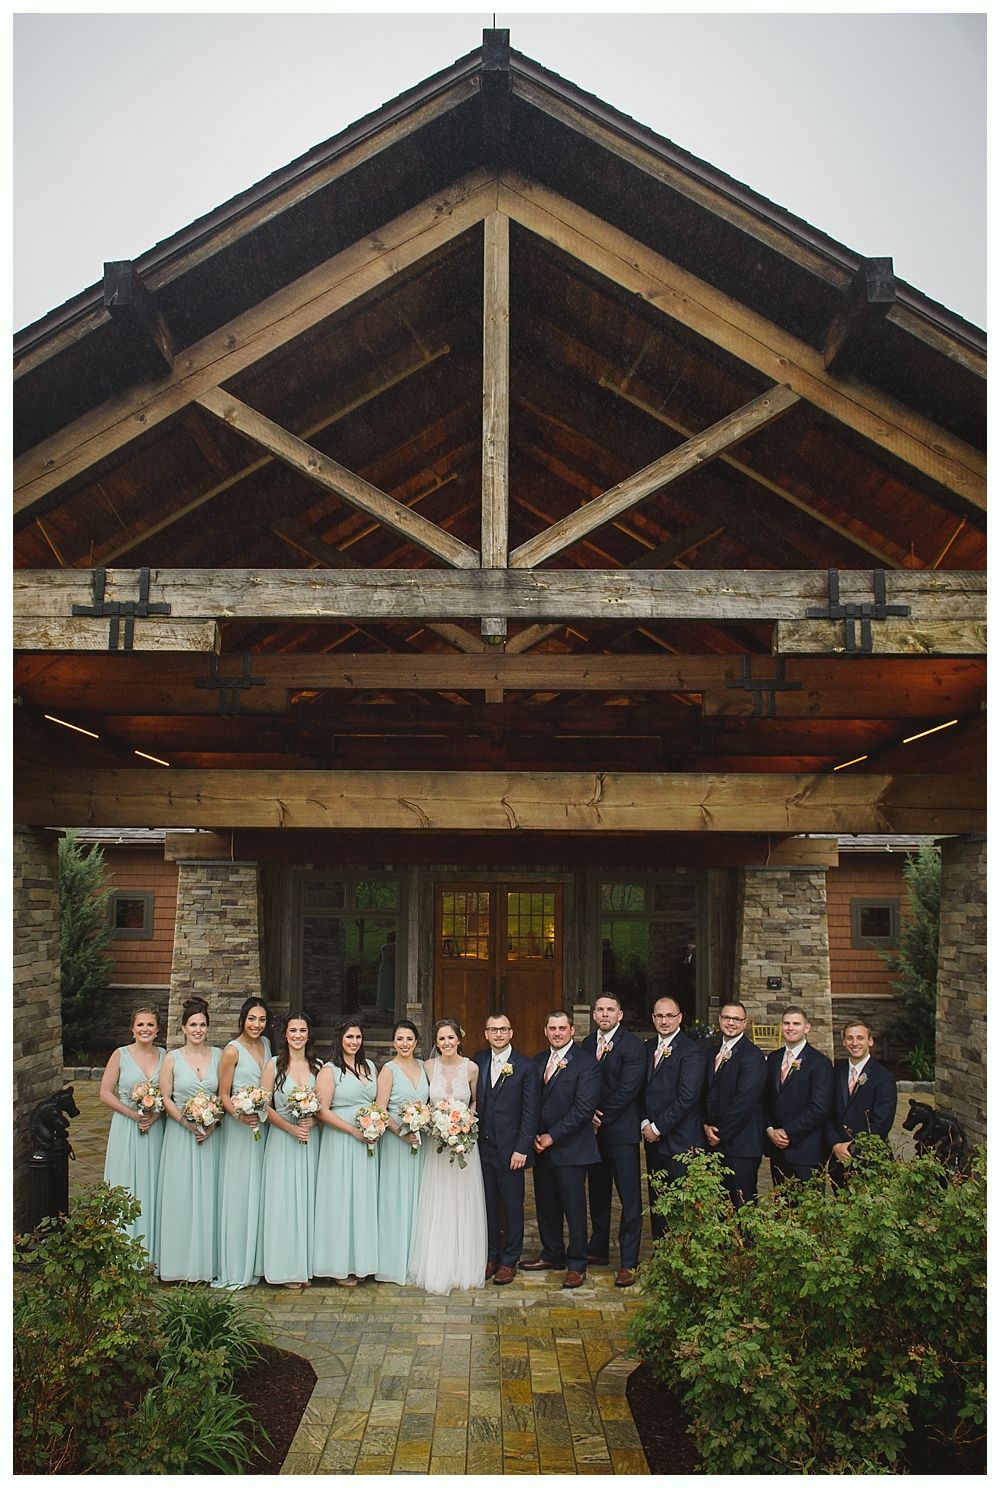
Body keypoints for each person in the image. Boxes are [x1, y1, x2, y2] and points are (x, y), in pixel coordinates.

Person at [521, 1009, 601, 1289]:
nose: (557, 1033)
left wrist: (551, 1137)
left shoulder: (586, 1063)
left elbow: (583, 1109)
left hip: (571, 1148)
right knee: (546, 1204)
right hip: (541, 1147)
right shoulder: (538, 1061)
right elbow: (530, 1102)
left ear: (572, 1031)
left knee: (574, 1207)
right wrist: (531, 1135)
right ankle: (552, 1253)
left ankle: (577, 1262)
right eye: (552, 1028)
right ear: (545, 1031)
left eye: (562, 1028)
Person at [408, 1018, 488, 1295]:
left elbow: (476, 1100)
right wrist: (433, 1121)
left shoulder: (472, 1068)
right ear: (436, 1043)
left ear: (459, 1039)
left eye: (450, 1038)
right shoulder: (428, 1067)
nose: (446, 1043)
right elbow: (424, 1101)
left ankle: (464, 1264)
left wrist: (467, 1120)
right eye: (441, 1039)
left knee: (463, 1200)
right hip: (437, 1145)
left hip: (464, 1143)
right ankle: (437, 1262)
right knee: (439, 1198)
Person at [471, 1013, 541, 1285]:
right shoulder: (478, 1060)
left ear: (511, 1033)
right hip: (483, 1147)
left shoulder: (525, 1066)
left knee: (512, 1206)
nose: (498, 1034)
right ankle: (491, 1256)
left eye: (503, 1029)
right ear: (486, 1034)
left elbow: (530, 1111)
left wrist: (522, 1148)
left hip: (512, 1150)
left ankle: (509, 1259)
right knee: (487, 1204)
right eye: (493, 1030)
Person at [156, 997, 222, 1282]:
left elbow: (224, 1095)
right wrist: (186, 1123)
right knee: (180, 1196)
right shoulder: (172, 1058)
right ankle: (177, 1265)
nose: (198, 1030)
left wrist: (213, 1122)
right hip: (181, 1136)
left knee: (210, 1197)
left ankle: (207, 1265)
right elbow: (166, 1098)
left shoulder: (219, 1056)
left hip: (211, 1136)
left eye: (203, 1025)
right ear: (183, 1028)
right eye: (193, 1025)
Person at [581, 994, 645, 1287]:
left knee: (629, 1197)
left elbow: (628, 1089)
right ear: (594, 1014)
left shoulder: (632, 1046)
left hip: (621, 1132)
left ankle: (629, 1260)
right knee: (598, 1191)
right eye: (600, 1010)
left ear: (620, 1014)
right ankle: (598, 1247)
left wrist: (601, 1115)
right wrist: (588, 1114)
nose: (605, 1014)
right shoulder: (585, 1044)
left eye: (611, 1010)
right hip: (592, 1135)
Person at [314, 1019, 381, 1287]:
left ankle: (361, 1263)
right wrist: (352, 1131)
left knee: (362, 1200)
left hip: (366, 1141)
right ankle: (337, 1265)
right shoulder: (329, 1071)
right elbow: (322, 1111)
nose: (354, 1042)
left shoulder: (370, 1067)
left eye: (358, 1037)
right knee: (340, 1200)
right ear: (340, 1039)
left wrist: (373, 1124)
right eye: (349, 1037)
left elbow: (376, 1102)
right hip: (340, 1140)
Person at [260, 1012, 323, 1290]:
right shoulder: (273, 1065)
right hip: (283, 1139)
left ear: (309, 1035)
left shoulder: (318, 1066)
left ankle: (307, 1266)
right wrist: (289, 1127)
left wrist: (314, 1118)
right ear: (284, 1034)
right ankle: (284, 1267)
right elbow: (264, 1106)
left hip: (310, 1140)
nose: (297, 1035)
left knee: (309, 1201)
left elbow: (324, 1104)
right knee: (284, 1202)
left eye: (302, 1030)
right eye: (293, 1031)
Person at [214, 996, 272, 1289]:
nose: (257, 1025)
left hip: (262, 1128)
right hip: (240, 1130)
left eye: (261, 1020)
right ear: (243, 1019)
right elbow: (223, 1093)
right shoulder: (231, 1051)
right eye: (252, 1019)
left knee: (259, 1189)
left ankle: (257, 1260)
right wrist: (240, 1115)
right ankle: (236, 1263)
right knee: (239, 1191)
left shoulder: (266, 1046)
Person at [100, 1004, 166, 1260]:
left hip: (154, 1128)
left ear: (158, 1029)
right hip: (127, 1128)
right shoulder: (120, 1054)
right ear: (132, 1028)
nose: (145, 1029)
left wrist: (155, 1115)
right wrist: (132, 1114)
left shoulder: (164, 1055)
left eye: (150, 1025)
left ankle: (152, 1253)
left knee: (153, 1184)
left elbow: (169, 1094)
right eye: (140, 1025)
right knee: (126, 1183)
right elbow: (105, 1093)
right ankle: (122, 1253)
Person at [641, 996, 707, 1241]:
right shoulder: (647, 1048)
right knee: (658, 1201)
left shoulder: (691, 1051)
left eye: (669, 1016)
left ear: (679, 1018)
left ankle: (684, 1256)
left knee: (682, 1204)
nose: (664, 1021)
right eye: (659, 1016)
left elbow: (687, 1097)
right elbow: (641, 1092)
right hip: (653, 1140)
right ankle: (662, 1254)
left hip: (681, 1141)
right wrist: (645, 1122)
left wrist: (658, 1127)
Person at [375, 1018, 429, 1285]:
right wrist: (402, 1133)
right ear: (393, 1042)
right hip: (397, 1143)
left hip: (421, 1143)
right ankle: (393, 1261)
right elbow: (381, 1110)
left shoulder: (423, 1067)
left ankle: (417, 1258)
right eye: (400, 1039)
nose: (405, 1044)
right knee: (396, 1199)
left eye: (409, 1039)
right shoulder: (388, 1069)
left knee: (419, 1199)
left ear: (416, 1041)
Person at [702, 1002, 767, 1208]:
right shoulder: (710, 1052)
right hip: (715, 1141)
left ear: (745, 1023)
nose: (731, 1023)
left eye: (736, 1019)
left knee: (742, 1204)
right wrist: (704, 1125)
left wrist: (719, 1133)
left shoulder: (753, 1056)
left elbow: (745, 1102)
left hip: (742, 1144)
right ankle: (724, 1242)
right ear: (719, 1019)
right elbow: (703, 1093)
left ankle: (745, 1242)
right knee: (720, 1204)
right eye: (726, 1018)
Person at [764, 1006, 834, 1184]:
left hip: (807, 1150)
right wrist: (770, 1130)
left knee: (807, 1207)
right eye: (786, 1023)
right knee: (780, 1206)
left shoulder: (820, 1063)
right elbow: (765, 1099)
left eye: (796, 1023)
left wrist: (788, 1132)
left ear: (807, 1027)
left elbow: (820, 1108)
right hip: (777, 1148)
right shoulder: (773, 1059)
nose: (790, 1028)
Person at [826, 1020, 898, 1188]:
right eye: (849, 1038)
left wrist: (852, 1146)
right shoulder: (835, 1073)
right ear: (844, 1042)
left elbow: (882, 1122)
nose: (855, 1043)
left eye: (860, 1038)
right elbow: (826, 1113)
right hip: (839, 1159)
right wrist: (835, 1144)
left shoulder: (884, 1077)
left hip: (870, 1159)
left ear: (870, 1041)